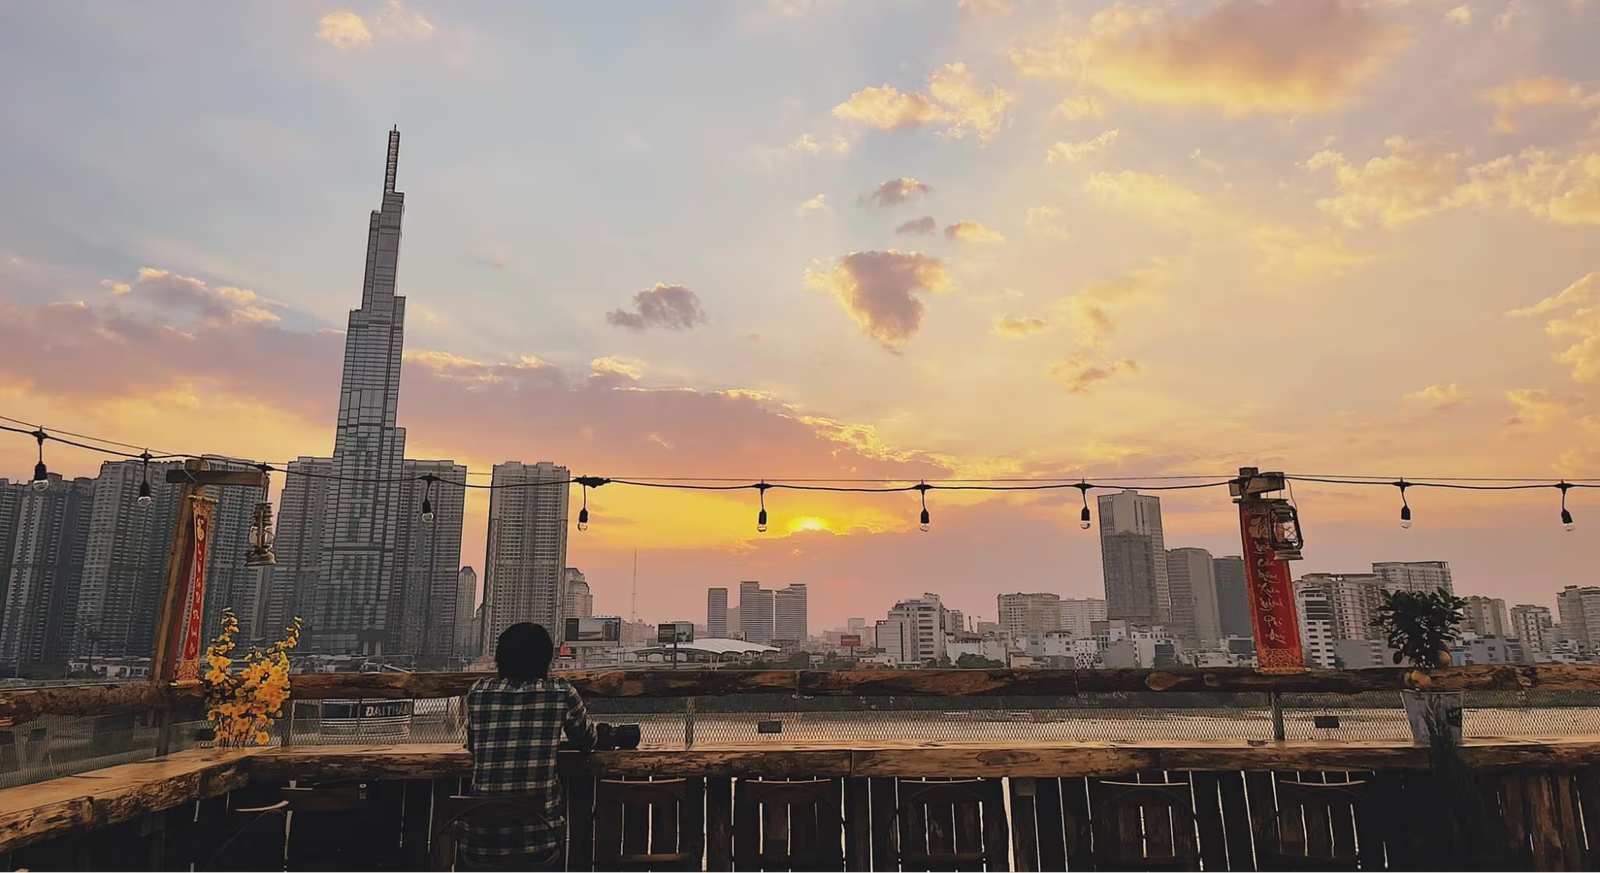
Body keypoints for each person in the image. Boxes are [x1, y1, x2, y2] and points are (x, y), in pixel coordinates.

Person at [460, 622, 597, 872]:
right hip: (539, 843)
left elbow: (472, 745)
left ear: (500, 658)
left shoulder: (478, 692)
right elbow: (587, 740)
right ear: (545, 660)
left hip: (478, 845)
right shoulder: (560, 691)